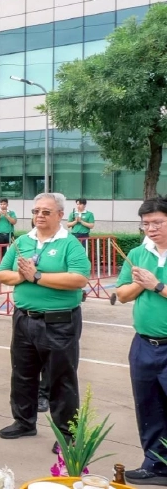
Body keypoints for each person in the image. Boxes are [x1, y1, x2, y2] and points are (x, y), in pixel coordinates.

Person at [0, 193, 89, 449]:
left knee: (61, 379)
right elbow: (2, 273)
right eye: (36, 211)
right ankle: (24, 422)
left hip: (59, 322)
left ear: (60, 215)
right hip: (24, 319)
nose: (39, 216)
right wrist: (22, 276)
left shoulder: (70, 244)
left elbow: (79, 279)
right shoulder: (22, 241)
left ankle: (68, 435)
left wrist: (37, 276)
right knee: (22, 374)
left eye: (46, 212)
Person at [114, 197, 167, 486]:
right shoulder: (137, 253)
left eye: (157, 222)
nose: (151, 229)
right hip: (144, 344)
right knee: (148, 406)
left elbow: (154, 286)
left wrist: (155, 285)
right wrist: (139, 282)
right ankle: (155, 464)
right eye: (145, 224)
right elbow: (122, 295)